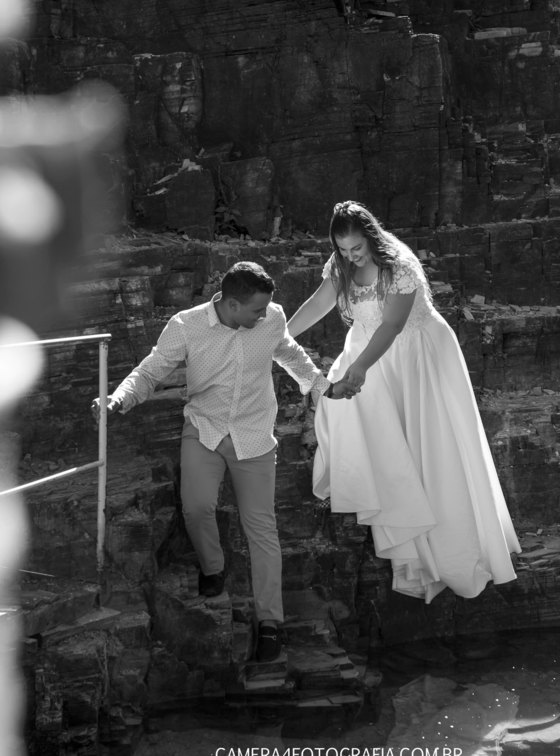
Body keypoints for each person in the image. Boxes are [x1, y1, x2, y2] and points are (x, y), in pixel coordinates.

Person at [93, 262, 358, 661]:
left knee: (262, 530)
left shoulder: (272, 319)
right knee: (197, 508)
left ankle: (270, 622)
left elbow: (289, 351)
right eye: (256, 309)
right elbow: (151, 370)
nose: (266, 314)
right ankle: (213, 568)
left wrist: (322, 387)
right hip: (204, 429)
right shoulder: (186, 326)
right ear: (231, 304)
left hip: (254, 436)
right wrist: (119, 398)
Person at [287, 201, 521, 602]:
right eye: (343, 249)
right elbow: (320, 302)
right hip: (369, 346)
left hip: (415, 355)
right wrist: (284, 335)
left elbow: (393, 325)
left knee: (429, 446)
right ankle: (390, 507)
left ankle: (444, 543)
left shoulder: (400, 267)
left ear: (371, 237)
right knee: (357, 419)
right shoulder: (341, 264)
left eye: (356, 248)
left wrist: (359, 368)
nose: (350, 256)